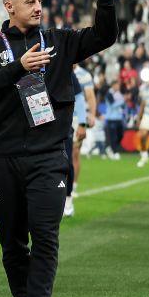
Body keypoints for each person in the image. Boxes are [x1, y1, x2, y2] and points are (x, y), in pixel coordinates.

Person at [0, 0, 117, 297]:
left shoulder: (60, 41)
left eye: (40, 0)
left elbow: (105, 36)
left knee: (45, 232)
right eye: (30, 2)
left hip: (49, 155)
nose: (39, 7)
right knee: (12, 240)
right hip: (3, 156)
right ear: (10, 6)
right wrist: (16, 68)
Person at [64, 63, 96, 216]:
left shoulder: (74, 74)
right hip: (44, 124)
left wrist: (83, 122)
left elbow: (81, 97)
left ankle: (69, 197)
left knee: (69, 159)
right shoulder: (42, 65)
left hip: (68, 122)